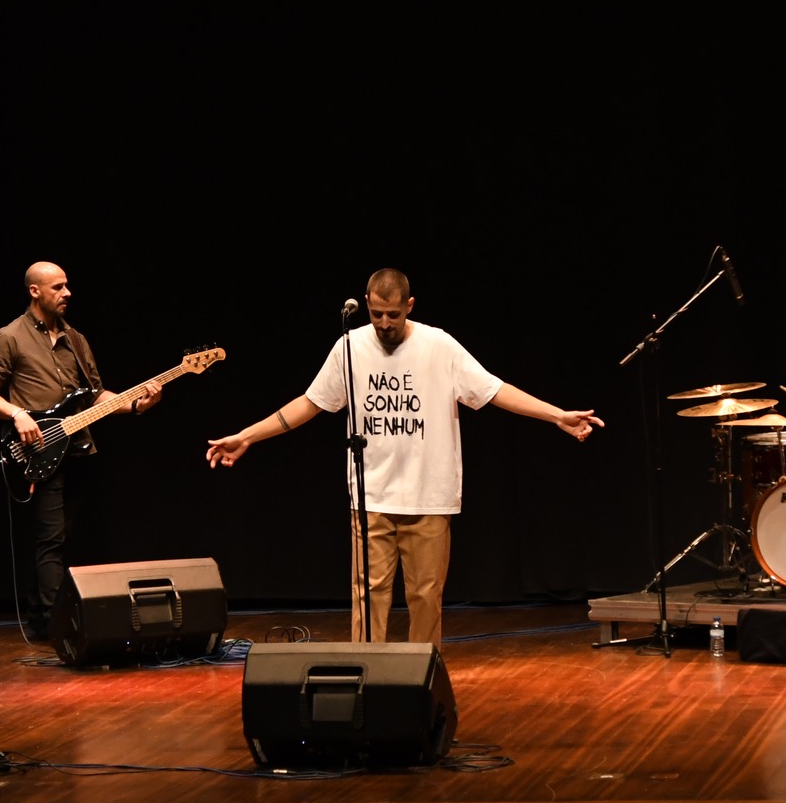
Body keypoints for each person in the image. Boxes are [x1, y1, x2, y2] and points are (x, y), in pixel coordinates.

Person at [204, 268, 602, 645]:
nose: (384, 323)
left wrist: (556, 415)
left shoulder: (438, 345)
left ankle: (420, 681)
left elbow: (493, 390)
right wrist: (247, 436)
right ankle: (366, 677)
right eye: (376, 314)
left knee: (426, 597)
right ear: (366, 304)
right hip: (371, 497)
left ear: (410, 305)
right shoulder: (350, 347)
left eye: (393, 314)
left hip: (428, 496)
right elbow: (310, 403)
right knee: (367, 595)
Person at [0, 261, 162, 640]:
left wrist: (137, 405)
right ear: (35, 292)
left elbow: (96, 395)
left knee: (65, 538)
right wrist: (17, 415)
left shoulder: (76, 339)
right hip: (39, 451)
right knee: (52, 539)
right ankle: (54, 623)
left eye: (67, 286)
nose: (67, 293)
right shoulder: (9, 337)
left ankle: (42, 613)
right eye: (58, 287)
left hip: (77, 448)